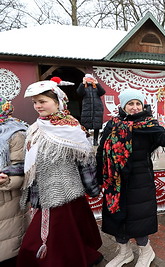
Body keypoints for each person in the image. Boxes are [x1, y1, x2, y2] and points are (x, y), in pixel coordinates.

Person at [17, 80, 102, 267]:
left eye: (42, 101)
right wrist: (9, 172)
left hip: (64, 193)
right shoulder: (35, 128)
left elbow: (85, 162)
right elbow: (28, 162)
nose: (38, 106)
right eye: (35, 102)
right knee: (65, 236)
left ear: (58, 102)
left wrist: (93, 188)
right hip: (42, 193)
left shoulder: (72, 129)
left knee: (51, 238)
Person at [96, 89, 165, 267]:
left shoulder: (148, 124)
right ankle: (125, 253)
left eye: (138, 103)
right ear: (123, 106)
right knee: (116, 218)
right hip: (115, 182)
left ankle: (146, 252)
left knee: (139, 219)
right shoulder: (112, 124)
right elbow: (101, 152)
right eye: (131, 104)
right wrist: (99, 178)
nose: (135, 107)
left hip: (140, 180)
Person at [0, 96, 27, 266]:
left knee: (9, 250)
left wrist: (5, 180)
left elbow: (24, 171)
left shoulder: (16, 133)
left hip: (7, 202)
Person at [77, 73, 106, 146]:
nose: (89, 80)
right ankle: (86, 139)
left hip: (97, 108)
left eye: (90, 78)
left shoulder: (96, 87)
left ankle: (95, 141)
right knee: (86, 124)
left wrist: (97, 84)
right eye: (88, 78)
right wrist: (83, 83)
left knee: (97, 125)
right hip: (87, 108)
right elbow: (79, 93)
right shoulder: (84, 87)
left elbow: (102, 92)